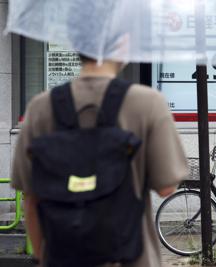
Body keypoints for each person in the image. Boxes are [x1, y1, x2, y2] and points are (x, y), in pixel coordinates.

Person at [11, 55, 188, 267]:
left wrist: (43, 256)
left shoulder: (40, 107)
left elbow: (30, 198)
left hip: (61, 258)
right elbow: (166, 187)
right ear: (122, 44)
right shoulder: (148, 103)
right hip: (131, 258)